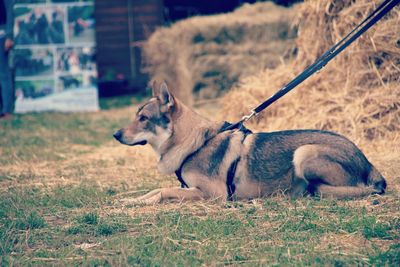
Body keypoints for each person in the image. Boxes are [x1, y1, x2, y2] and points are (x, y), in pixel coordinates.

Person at [0, 0, 14, 120]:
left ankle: (7, 111)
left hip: (2, 34)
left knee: (3, 73)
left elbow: (9, 13)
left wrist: (9, 36)